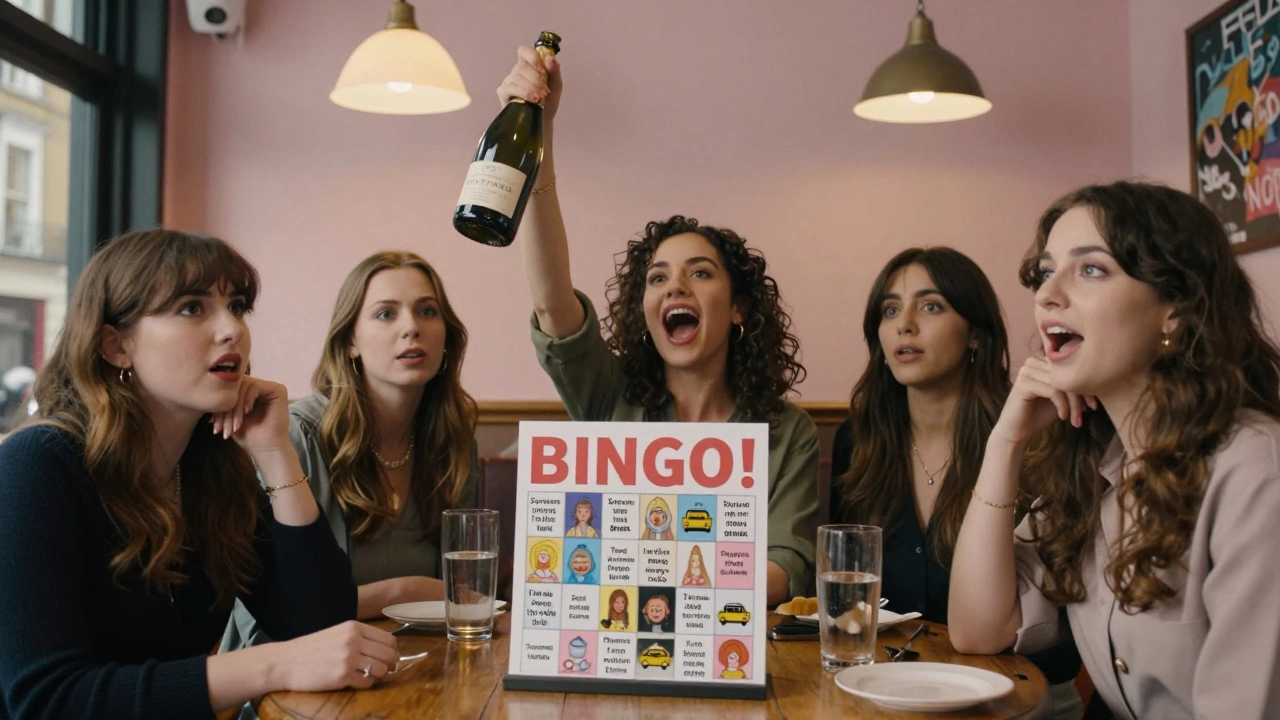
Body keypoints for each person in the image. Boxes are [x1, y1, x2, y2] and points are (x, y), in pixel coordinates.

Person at [0, 229, 397, 719]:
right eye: (192, 308)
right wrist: (270, 665)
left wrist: (275, 452)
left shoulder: (210, 470)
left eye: (236, 306)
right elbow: (46, 700)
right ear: (116, 345)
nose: (232, 329)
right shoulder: (38, 464)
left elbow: (321, 625)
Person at [500, 45, 819, 603]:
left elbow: (785, 568)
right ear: (644, 312)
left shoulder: (787, 432)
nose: (675, 287)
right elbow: (552, 304)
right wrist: (537, 135)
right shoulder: (609, 396)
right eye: (657, 277)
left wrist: (649, 575)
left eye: (701, 272)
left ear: (739, 308)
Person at [949, 181, 1280, 719]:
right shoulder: (1096, 462)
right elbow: (978, 630)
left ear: (1175, 309)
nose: (1047, 294)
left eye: (1091, 269)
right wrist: (1005, 443)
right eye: (1045, 271)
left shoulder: (1255, 470)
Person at [831, 247, 1081, 716]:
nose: (905, 325)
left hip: (1019, 696)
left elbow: (1050, 625)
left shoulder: (1032, 437)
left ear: (976, 335)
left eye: (931, 306)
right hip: (886, 691)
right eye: (890, 310)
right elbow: (846, 601)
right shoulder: (859, 441)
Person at [284, 251, 478, 617]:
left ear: (446, 337)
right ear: (350, 342)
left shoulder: (453, 442)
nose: (411, 328)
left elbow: (465, 596)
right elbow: (282, 611)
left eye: (427, 311)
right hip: (303, 653)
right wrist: (404, 592)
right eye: (386, 314)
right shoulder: (299, 436)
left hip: (420, 650)